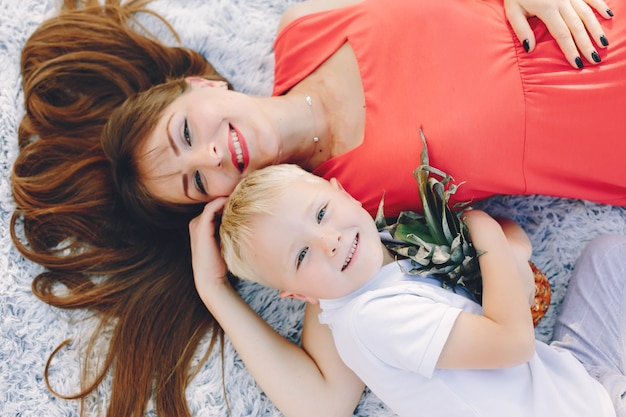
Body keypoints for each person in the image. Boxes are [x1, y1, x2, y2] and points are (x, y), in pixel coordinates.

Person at [10, 0, 625, 416]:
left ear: (200, 87)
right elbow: (323, 399)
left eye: (185, 133)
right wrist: (216, 293)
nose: (214, 155)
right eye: (198, 182)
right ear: (217, 206)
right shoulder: (344, 216)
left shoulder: (308, 23)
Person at [216, 163, 621, 417]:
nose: (329, 241)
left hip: (568, 377)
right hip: (576, 408)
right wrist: (484, 229)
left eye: (321, 213)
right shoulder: (370, 320)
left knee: (606, 256)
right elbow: (512, 343)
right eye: (301, 256)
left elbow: (502, 244)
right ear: (298, 295)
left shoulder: (389, 247)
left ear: (341, 191)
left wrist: (508, 249)